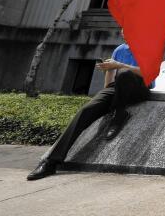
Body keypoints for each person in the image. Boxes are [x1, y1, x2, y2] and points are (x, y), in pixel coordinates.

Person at [26, 39, 151, 181]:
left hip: (139, 89)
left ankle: (119, 114)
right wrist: (109, 73)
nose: (124, 32)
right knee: (86, 110)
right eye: (123, 28)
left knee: (123, 73)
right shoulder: (120, 49)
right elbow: (109, 82)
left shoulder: (148, 48)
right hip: (116, 88)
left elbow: (149, 75)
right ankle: (51, 162)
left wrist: (120, 65)